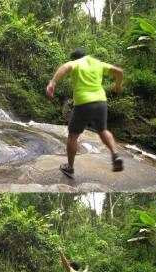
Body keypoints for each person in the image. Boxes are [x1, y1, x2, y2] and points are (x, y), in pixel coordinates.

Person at [46, 49, 125, 178]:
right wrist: (118, 85)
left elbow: (65, 67)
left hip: (83, 102)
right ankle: (115, 154)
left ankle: (70, 168)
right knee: (103, 130)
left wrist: (52, 83)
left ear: (74, 59)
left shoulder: (77, 63)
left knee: (73, 136)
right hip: (101, 102)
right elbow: (119, 72)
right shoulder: (98, 63)